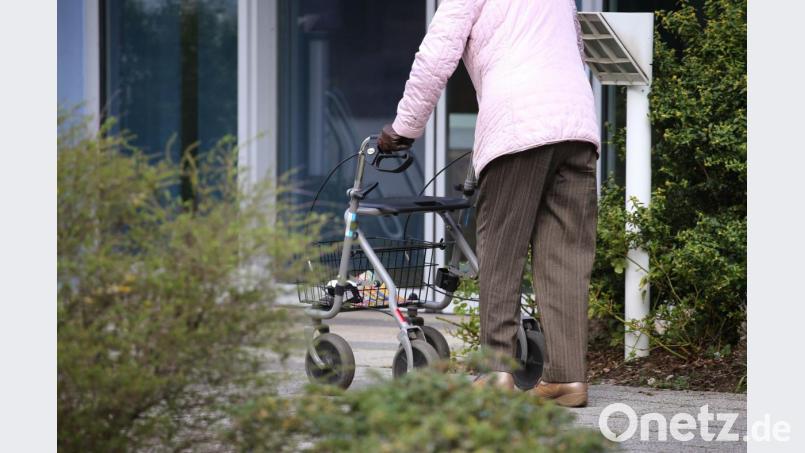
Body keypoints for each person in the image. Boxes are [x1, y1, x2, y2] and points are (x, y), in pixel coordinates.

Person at [377, 0, 599, 407]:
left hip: (519, 123)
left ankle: (497, 370)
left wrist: (404, 127)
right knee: (566, 256)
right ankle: (568, 378)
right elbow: (576, 47)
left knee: (501, 249)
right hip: (577, 124)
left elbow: (435, 55)